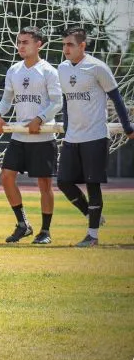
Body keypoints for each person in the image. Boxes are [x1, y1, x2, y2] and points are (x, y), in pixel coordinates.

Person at [56, 27, 134, 247]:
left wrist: (127, 127)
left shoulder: (98, 67)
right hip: (72, 137)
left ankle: (92, 235)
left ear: (82, 46)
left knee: (92, 185)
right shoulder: (62, 68)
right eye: (64, 45)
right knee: (63, 182)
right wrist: (66, 125)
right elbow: (66, 99)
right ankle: (94, 217)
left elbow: (117, 99)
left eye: (70, 45)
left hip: (96, 136)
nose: (66, 49)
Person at [0, 26, 62, 244]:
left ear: (38, 44)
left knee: (44, 185)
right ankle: (23, 224)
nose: (21, 45)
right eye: (19, 41)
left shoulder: (48, 71)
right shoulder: (13, 70)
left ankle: (45, 232)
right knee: (6, 177)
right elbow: (7, 99)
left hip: (42, 136)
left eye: (26, 42)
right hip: (19, 136)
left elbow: (57, 102)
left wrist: (40, 119)